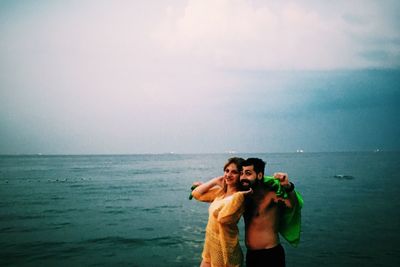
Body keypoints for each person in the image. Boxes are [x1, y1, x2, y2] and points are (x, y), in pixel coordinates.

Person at [240, 158, 303, 267]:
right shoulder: (244, 197)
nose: (243, 177)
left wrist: (288, 187)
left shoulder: (271, 195)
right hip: (251, 255)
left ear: (259, 175)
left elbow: (292, 205)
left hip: (270, 254)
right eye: (241, 173)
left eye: (248, 173)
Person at [191, 157, 252, 267]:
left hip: (226, 251)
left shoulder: (239, 197)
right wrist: (214, 181)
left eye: (234, 172)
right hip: (210, 246)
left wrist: (239, 195)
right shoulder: (220, 193)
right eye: (227, 171)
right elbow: (196, 194)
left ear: (240, 175)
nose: (228, 175)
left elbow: (223, 218)